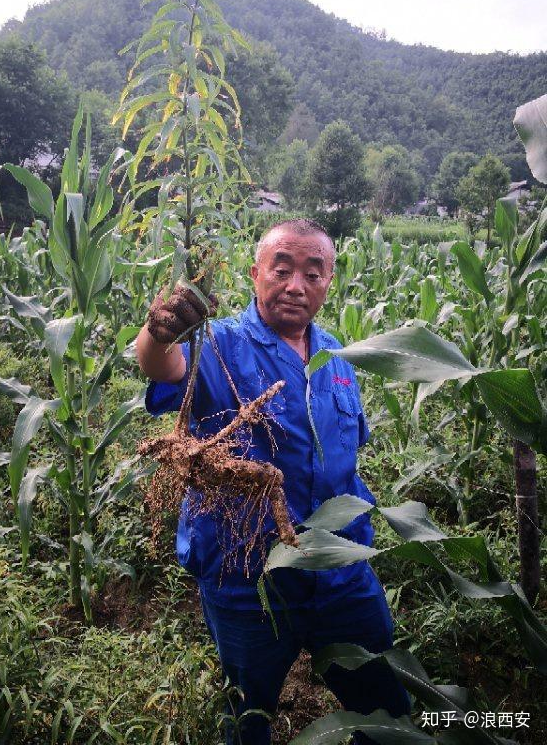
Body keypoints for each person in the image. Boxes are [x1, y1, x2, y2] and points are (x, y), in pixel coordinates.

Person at [136, 218, 411, 745]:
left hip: (339, 566)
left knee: (383, 704)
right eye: (281, 269)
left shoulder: (336, 355)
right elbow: (162, 365)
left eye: (314, 273)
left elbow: (347, 453)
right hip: (246, 575)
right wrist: (159, 329)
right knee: (247, 713)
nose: (296, 285)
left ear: (330, 281)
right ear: (255, 273)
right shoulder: (220, 345)